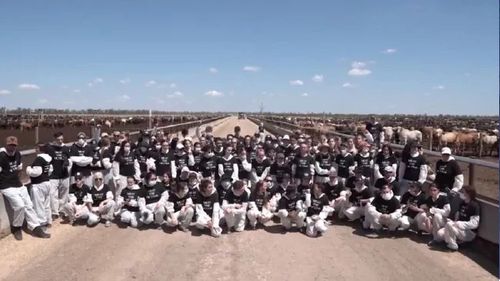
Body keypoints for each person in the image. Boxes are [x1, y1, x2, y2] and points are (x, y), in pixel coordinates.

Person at [0, 136, 50, 239]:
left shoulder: (17, 154)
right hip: (6, 186)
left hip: (18, 184)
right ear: (6, 145)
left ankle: (35, 228)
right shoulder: (1, 155)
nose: (12, 147)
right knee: (20, 206)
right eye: (10, 145)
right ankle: (16, 227)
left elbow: (19, 169)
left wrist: (18, 180)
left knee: (29, 205)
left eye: (14, 145)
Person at [431, 186, 480, 250]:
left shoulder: (474, 205)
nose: (460, 193)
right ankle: (448, 240)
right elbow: (457, 217)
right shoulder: (462, 203)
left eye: (462, 192)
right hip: (458, 228)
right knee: (440, 234)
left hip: (469, 232)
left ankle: (453, 245)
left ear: (469, 194)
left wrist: (459, 224)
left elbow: (474, 224)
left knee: (449, 225)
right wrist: (453, 221)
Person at [27, 143, 54, 228]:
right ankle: (49, 220)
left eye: (36, 148)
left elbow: (36, 172)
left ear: (38, 149)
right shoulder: (49, 159)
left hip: (38, 184)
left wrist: (28, 169)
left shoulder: (38, 159)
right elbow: (50, 170)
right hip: (47, 182)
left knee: (38, 205)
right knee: (46, 203)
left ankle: (42, 223)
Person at [48, 132, 71, 218]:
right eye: (58, 140)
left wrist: (67, 162)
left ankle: (62, 210)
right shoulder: (50, 148)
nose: (60, 141)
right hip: (54, 175)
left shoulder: (65, 148)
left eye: (62, 139)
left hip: (64, 174)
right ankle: (54, 212)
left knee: (64, 194)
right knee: (53, 194)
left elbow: (69, 159)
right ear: (55, 139)